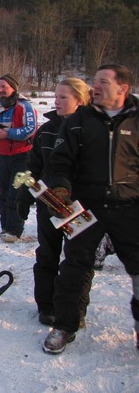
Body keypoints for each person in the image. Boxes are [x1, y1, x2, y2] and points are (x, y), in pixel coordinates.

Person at [42, 64, 139, 355]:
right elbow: (60, 161)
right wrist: (59, 187)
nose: (95, 86)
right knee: (73, 267)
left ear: (122, 88)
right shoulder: (78, 119)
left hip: (131, 207)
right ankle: (64, 326)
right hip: (85, 206)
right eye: (94, 81)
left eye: (102, 82)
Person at [16, 78, 92, 327]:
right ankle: (46, 307)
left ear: (79, 100)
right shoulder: (46, 130)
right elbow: (32, 167)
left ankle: (74, 311)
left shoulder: (90, 130)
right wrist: (24, 194)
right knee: (47, 256)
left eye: (63, 97)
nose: (56, 102)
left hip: (79, 208)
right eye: (55, 96)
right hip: (48, 205)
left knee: (77, 261)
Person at [0, 73, 37, 242]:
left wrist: (8, 134)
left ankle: (14, 230)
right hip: (3, 157)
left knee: (17, 192)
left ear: (13, 88)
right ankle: (5, 226)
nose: (1, 90)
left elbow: (30, 129)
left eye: (4, 87)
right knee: (4, 193)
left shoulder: (25, 107)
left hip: (24, 156)